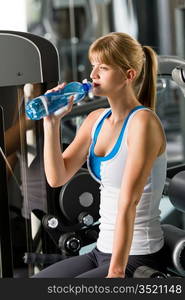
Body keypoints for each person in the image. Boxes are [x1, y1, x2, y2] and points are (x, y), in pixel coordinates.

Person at [32, 32, 167, 278]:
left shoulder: (143, 123)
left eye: (102, 68)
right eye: (93, 66)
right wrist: (51, 123)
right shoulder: (96, 120)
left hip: (136, 257)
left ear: (128, 75)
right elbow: (56, 177)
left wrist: (115, 273)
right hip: (101, 250)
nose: (92, 75)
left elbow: (129, 201)